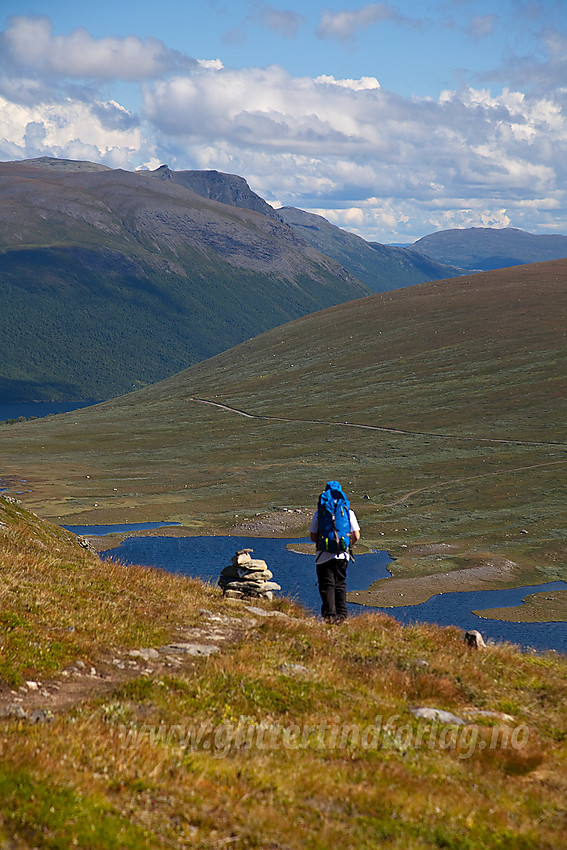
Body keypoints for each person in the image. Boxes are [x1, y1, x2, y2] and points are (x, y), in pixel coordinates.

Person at [309, 482, 360, 623]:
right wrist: (346, 545)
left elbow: (313, 536)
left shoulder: (320, 511)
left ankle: (330, 617)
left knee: (327, 585)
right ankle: (342, 616)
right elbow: (356, 535)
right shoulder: (348, 511)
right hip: (343, 555)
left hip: (323, 556)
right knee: (340, 583)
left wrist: (324, 542)